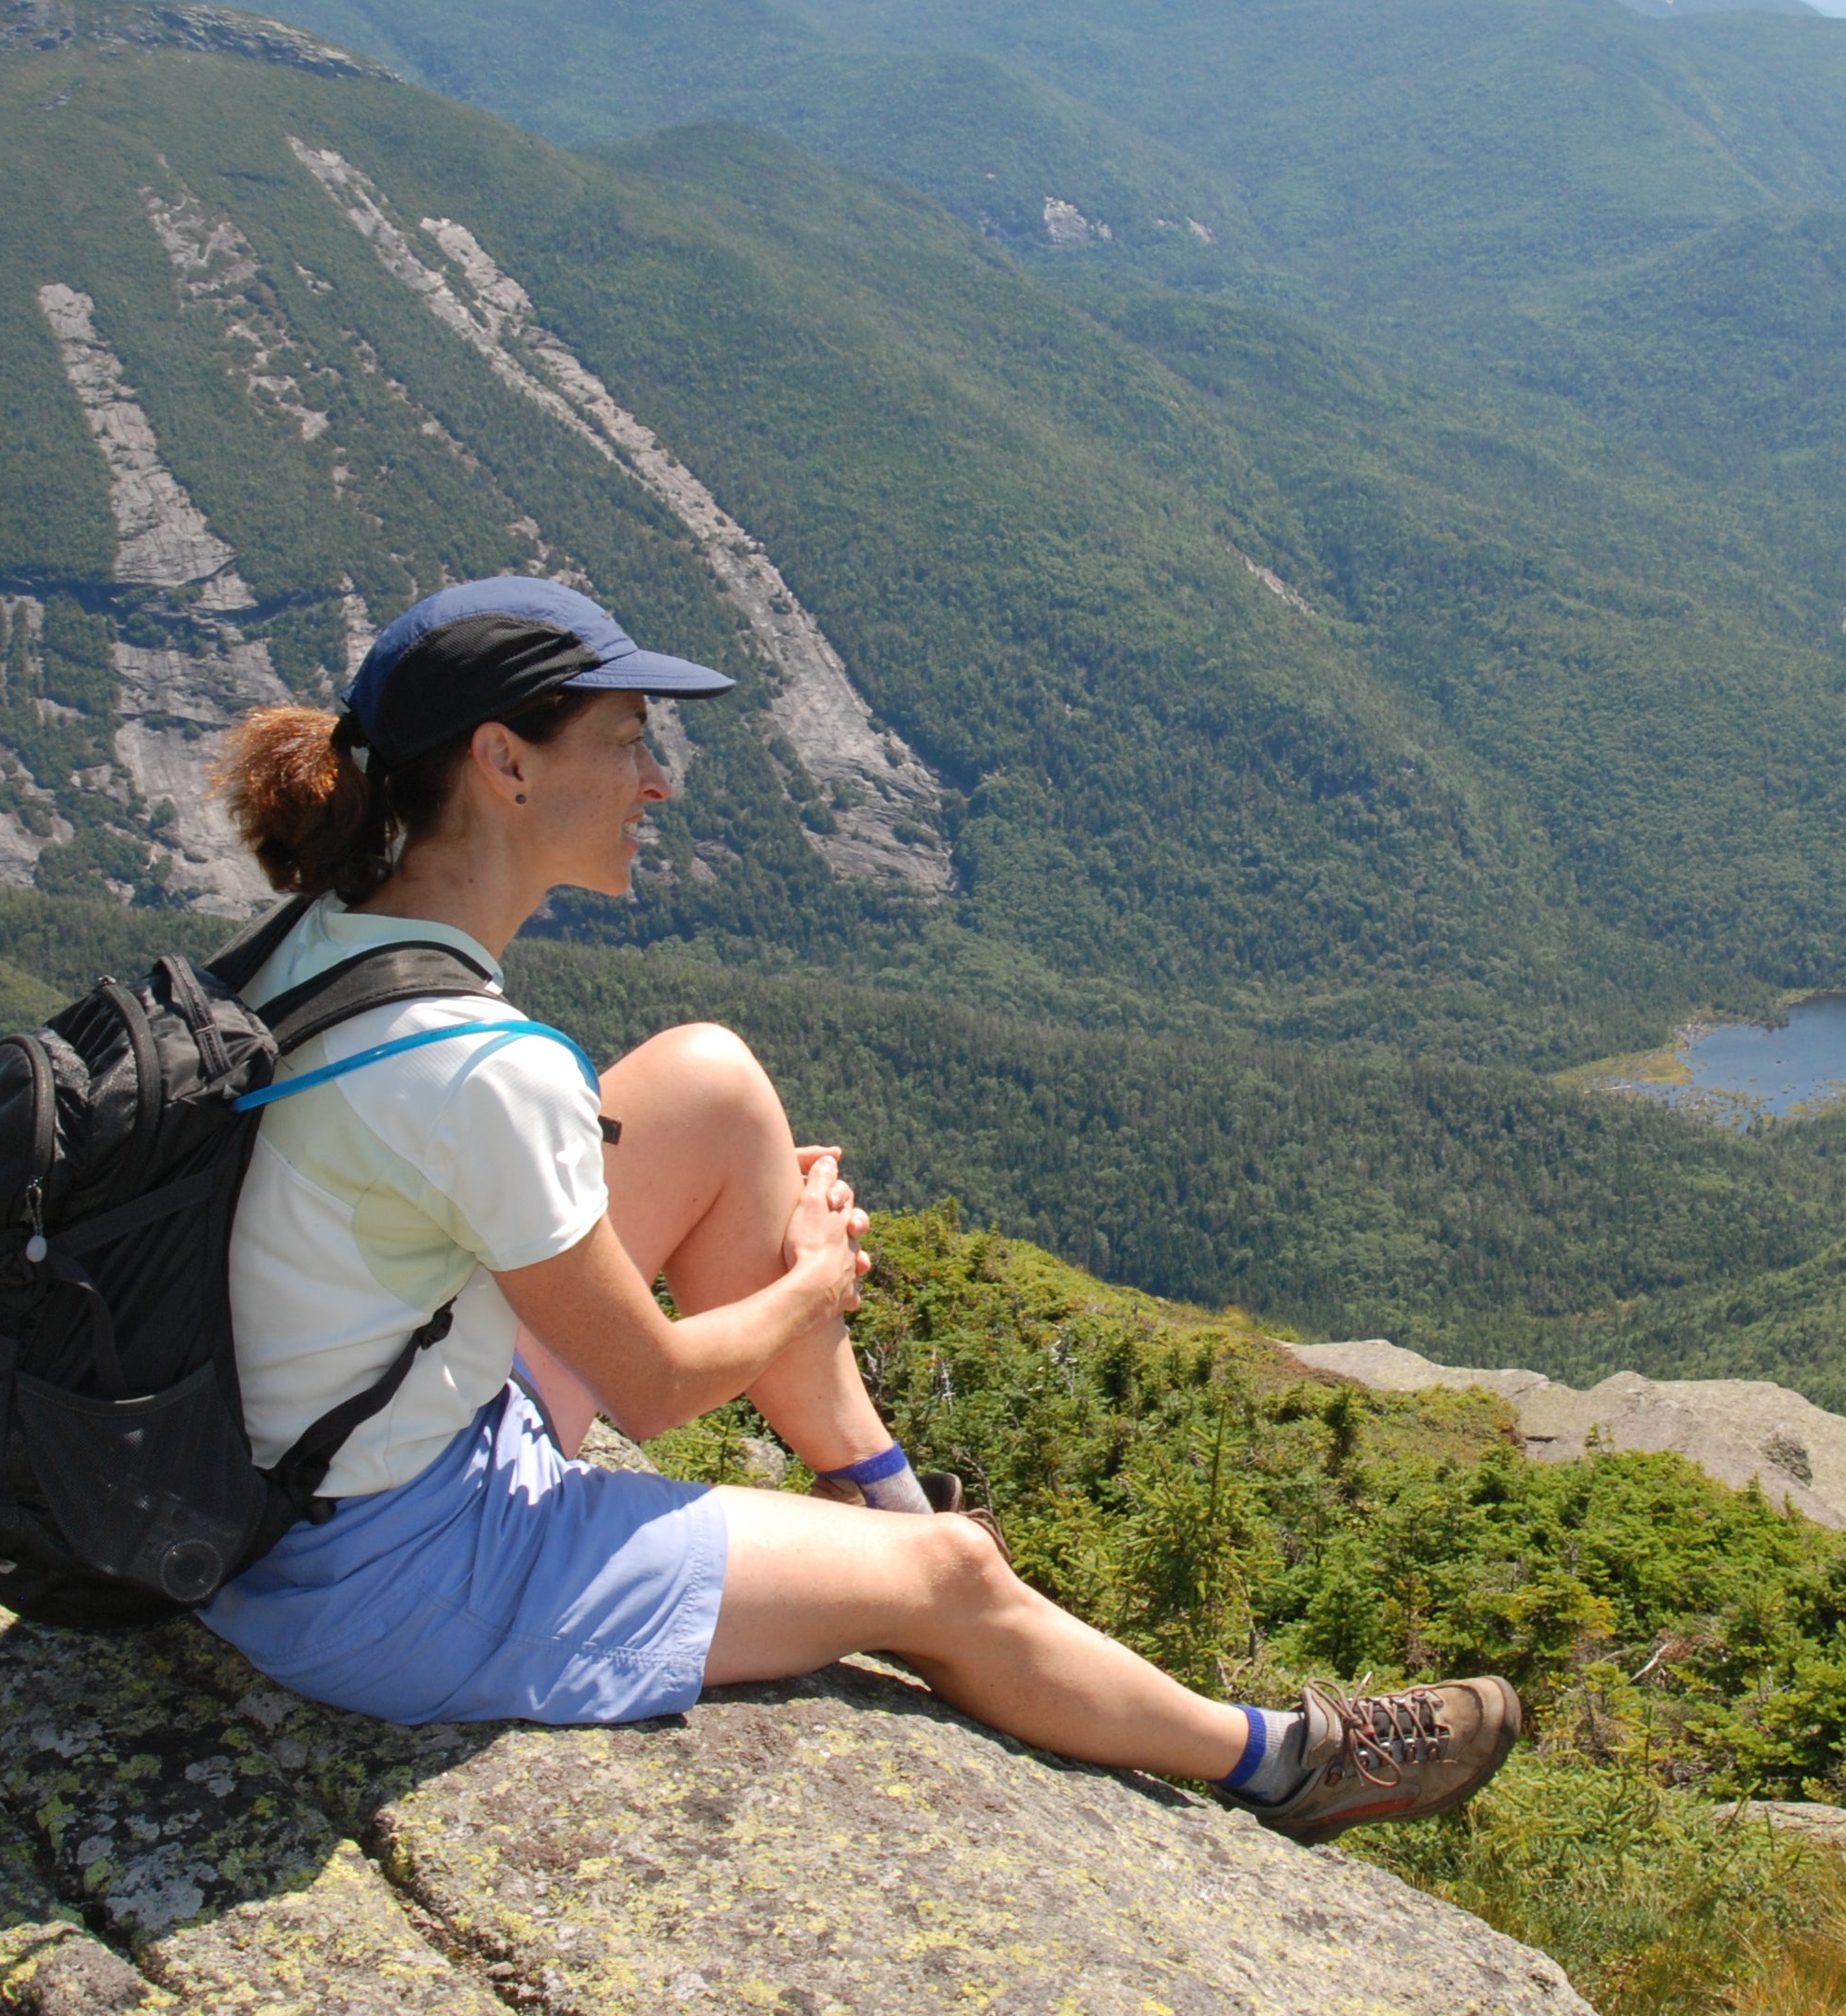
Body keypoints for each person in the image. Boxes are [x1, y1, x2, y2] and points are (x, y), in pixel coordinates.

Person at [196, 576, 1518, 1842]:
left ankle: (884, 1502)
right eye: (629, 743)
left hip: (330, 1463)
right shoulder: (479, 1066)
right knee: (954, 1586)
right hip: (392, 1576)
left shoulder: (328, 942)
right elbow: (650, 1392)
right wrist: (811, 1281)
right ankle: (1282, 1763)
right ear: (507, 762)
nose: (656, 781)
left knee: (707, 1088)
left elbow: (445, 1182)